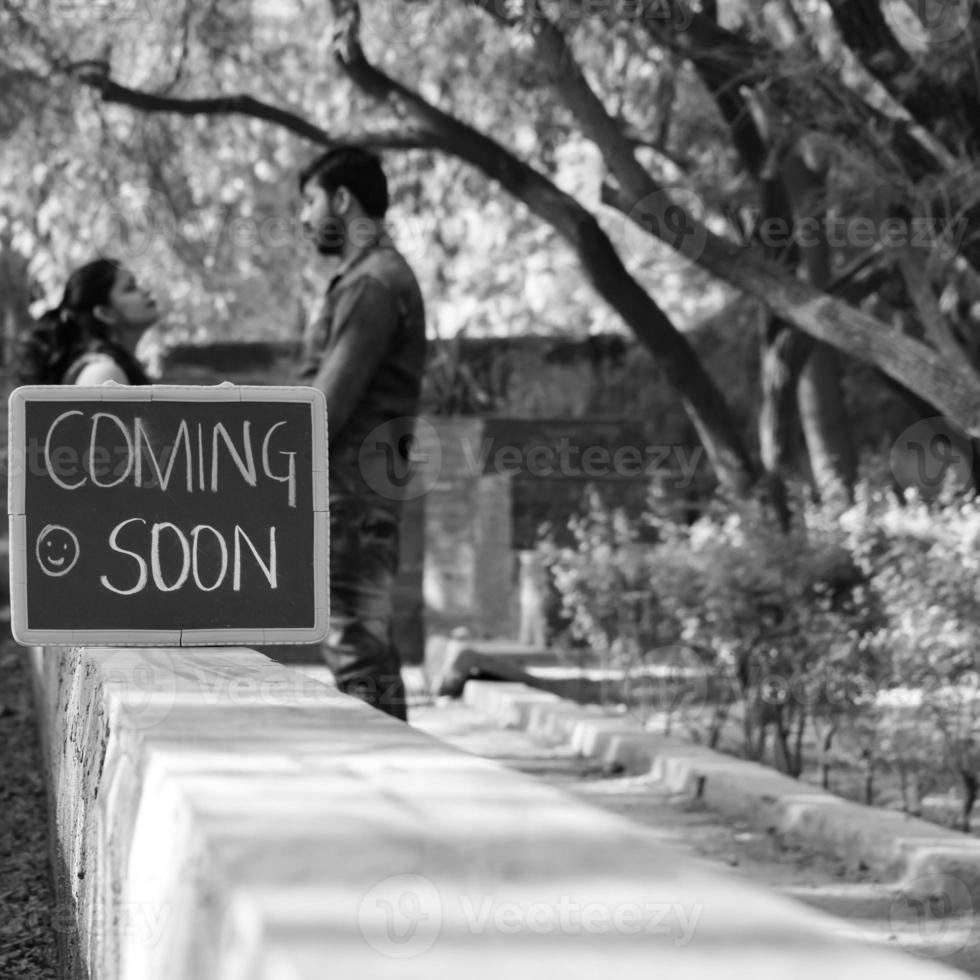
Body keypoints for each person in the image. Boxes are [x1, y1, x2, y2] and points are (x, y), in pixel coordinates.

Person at [297, 145, 427, 722]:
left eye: (309, 201)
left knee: (357, 656)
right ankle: (399, 783)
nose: (302, 219)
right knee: (366, 651)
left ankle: (392, 784)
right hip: (357, 497)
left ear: (342, 200)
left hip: (351, 498)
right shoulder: (370, 278)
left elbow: (324, 405)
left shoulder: (374, 283)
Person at [17, 258, 159, 386]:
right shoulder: (104, 374)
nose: (146, 291)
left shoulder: (112, 368)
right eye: (130, 288)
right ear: (105, 313)